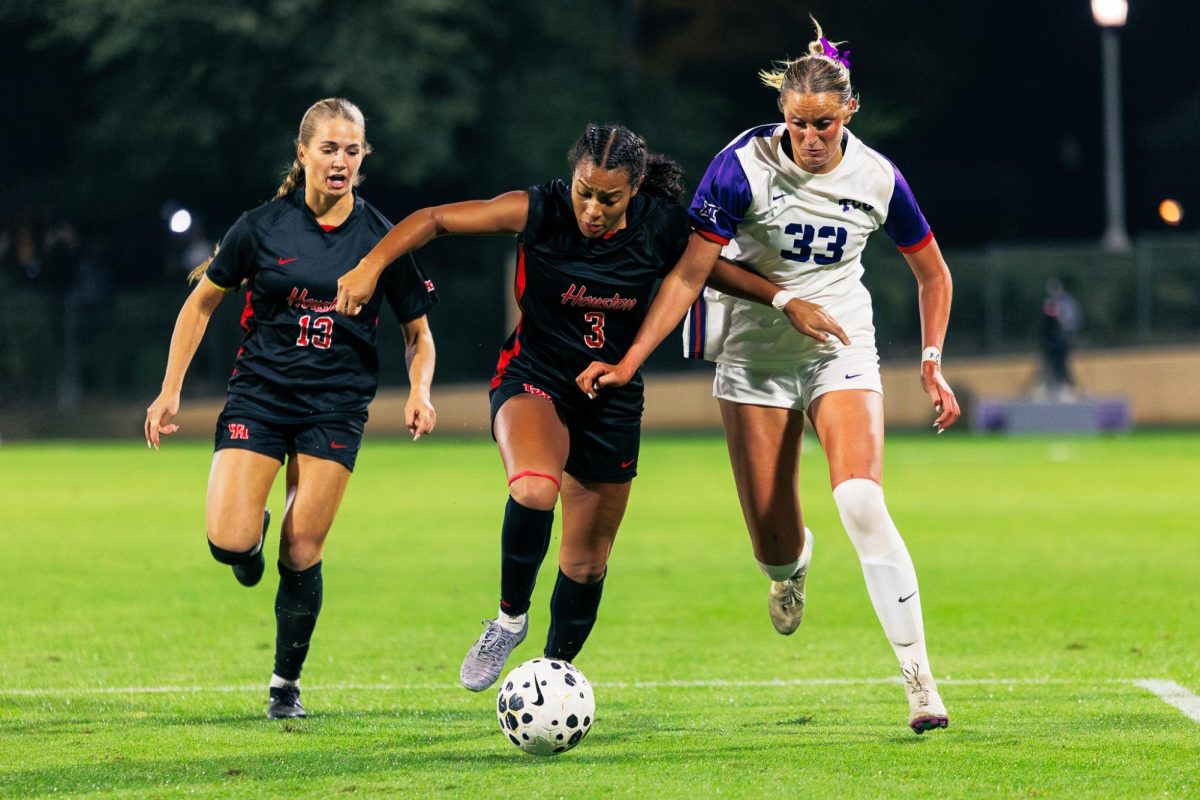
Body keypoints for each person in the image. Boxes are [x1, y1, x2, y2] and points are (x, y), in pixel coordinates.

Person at [333, 124, 836, 692]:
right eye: (584, 191)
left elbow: (708, 271)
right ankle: (507, 619)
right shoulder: (539, 209)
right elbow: (435, 219)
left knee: (586, 563)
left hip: (612, 399)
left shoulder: (660, 227)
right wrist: (369, 266)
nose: (592, 209)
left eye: (608, 198)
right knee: (533, 488)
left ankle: (550, 677)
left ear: (636, 188)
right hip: (534, 379)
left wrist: (786, 299)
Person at [577, 22, 960, 734]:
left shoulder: (878, 178)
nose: (809, 139)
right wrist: (631, 360)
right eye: (797, 124)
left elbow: (931, 271)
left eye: (822, 124)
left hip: (840, 346)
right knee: (772, 545)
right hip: (754, 353)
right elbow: (691, 270)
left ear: (848, 114)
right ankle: (792, 568)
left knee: (861, 501)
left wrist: (932, 365)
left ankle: (919, 682)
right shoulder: (741, 165)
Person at [144, 98, 438, 720]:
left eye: (352, 151)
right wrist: (170, 390)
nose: (340, 162)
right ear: (302, 153)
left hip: (335, 405)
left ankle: (285, 684)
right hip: (262, 394)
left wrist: (420, 391)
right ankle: (247, 546)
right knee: (229, 541)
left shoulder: (383, 238)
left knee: (302, 547)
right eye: (329, 149)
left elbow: (418, 332)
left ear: (363, 158)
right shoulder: (260, 228)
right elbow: (200, 305)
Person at [1039, 277, 1082, 400]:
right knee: (1057, 365)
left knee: (1060, 365)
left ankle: (1064, 387)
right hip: (1056, 339)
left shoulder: (1063, 303)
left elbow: (1066, 321)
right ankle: (1056, 387)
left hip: (1061, 338)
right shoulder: (1054, 303)